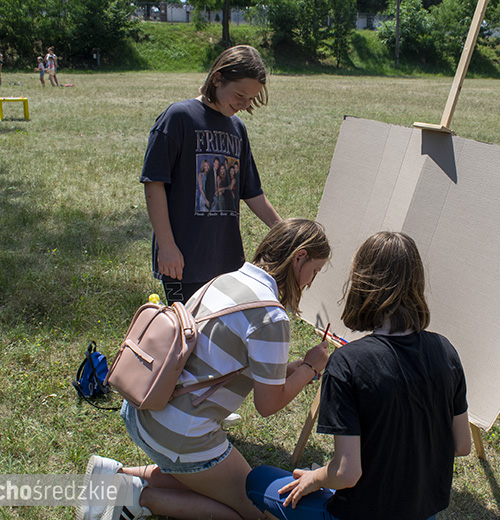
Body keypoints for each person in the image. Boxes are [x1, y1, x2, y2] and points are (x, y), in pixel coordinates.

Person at [78, 218, 332, 520]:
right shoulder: (271, 316)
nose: (310, 282)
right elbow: (268, 405)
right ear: (299, 257)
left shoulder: (226, 279)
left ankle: (118, 475)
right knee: (256, 511)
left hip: (143, 408)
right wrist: (310, 369)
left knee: (210, 483)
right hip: (178, 431)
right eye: (314, 271)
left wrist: (295, 369)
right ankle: (136, 498)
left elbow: (226, 361)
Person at [246, 231, 473, 520]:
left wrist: (314, 478)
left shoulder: (348, 363)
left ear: (363, 283)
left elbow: (346, 473)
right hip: (423, 513)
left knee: (257, 479)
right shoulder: (446, 351)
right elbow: (462, 445)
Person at [141, 44, 281, 306]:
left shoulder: (237, 128)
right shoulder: (179, 117)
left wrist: (285, 231)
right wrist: (167, 246)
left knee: (217, 337)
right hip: (183, 260)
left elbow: (252, 193)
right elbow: (154, 183)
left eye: (251, 98)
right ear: (217, 79)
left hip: (226, 260)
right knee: (186, 334)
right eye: (240, 94)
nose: (244, 104)